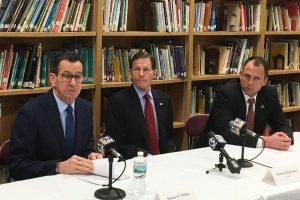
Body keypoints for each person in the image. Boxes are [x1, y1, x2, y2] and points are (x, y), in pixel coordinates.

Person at [9, 52, 103, 180]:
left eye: (78, 77)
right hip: (42, 188)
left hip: (78, 184)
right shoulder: (31, 112)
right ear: (52, 79)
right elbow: (17, 166)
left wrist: (91, 155)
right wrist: (58, 167)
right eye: (67, 76)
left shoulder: (85, 108)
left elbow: (85, 148)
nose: (73, 83)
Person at [197, 56, 293, 150]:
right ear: (240, 74)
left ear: (265, 81)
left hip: (250, 151)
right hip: (215, 150)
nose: (250, 82)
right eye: (247, 76)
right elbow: (225, 132)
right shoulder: (227, 93)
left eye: (256, 78)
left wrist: (284, 139)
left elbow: (282, 124)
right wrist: (265, 142)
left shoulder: (269, 94)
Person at [105, 52, 175, 159]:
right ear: (130, 73)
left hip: (163, 163)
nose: (141, 74)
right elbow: (116, 144)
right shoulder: (117, 102)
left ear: (154, 73)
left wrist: (170, 158)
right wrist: (146, 156)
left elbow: (169, 138)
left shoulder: (164, 100)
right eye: (136, 69)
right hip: (134, 163)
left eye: (146, 70)